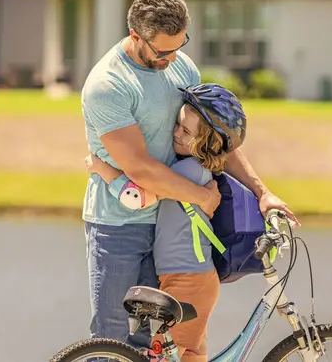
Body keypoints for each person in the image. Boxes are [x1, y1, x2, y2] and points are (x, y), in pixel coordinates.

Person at [81, 0, 298, 352]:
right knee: (112, 338)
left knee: (153, 343)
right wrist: (201, 196)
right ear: (136, 36)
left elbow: (215, 140)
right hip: (120, 225)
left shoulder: (181, 65)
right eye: (163, 50)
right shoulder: (109, 85)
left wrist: (263, 193)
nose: (174, 57)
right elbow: (141, 169)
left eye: (181, 45)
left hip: (171, 229)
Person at [86, 83, 246, 362]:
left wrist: (102, 168)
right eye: (177, 125)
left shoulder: (184, 171)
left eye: (185, 131)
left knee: (159, 356)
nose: (175, 132)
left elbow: (138, 197)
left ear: (206, 143)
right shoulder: (199, 169)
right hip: (196, 278)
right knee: (191, 355)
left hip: (186, 281)